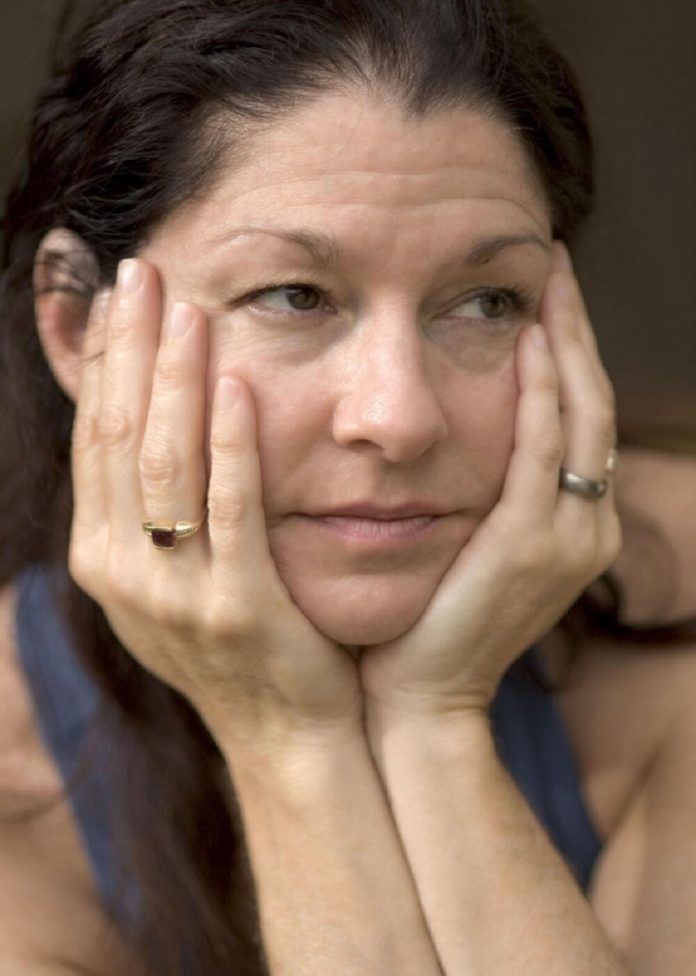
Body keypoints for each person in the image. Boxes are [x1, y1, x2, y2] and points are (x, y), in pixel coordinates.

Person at [0, 1, 694, 973]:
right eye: (294, 296)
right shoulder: (18, 800)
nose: (400, 416)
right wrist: (289, 738)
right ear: (79, 326)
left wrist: (435, 716)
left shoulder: (677, 608)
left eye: (486, 302)